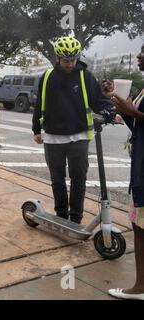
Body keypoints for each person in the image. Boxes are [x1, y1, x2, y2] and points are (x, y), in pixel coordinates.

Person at [32, 36, 114, 224]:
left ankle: (75, 218)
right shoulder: (47, 77)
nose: (69, 64)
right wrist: (36, 129)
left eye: (73, 60)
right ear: (58, 58)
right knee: (58, 180)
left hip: (79, 137)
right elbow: (39, 105)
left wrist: (109, 110)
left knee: (79, 180)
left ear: (77, 57)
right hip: (52, 138)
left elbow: (98, 99)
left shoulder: (85, 76)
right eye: (66, 60)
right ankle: (61, 216)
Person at [105, 43, 144, 300]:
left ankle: (141, 288)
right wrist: (125, 111)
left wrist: (133, 112)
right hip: (139, 166)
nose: (139, 56)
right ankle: (141, 285)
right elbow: (138, 122)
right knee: (138, 224)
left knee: (141, 225)